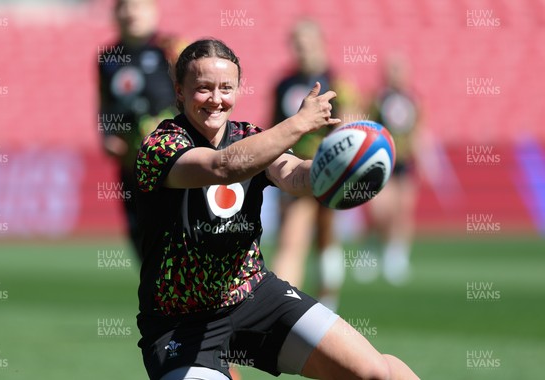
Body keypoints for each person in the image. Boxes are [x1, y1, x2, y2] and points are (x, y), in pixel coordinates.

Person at [134, 39, 419, 380]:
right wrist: (297, 123)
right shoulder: (161, 144)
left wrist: (333, 173)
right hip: (180, 323)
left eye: (226, 88)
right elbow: (222, 167)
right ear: (179, 92)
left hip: (254, 295)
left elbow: (294, 174)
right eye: (203, 88)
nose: (216, 99)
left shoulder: (249, 136)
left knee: (377, 372)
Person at [270, 19, 360, 311]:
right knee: (292, 238)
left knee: (326, 237)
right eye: (298, 44)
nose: (302, 50)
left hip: (330, 170)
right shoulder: (284, 84)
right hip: (296, 172)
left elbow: (350, 128)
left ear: (321, 43)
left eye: (308, 43)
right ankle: (281, 305)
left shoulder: (338, 84)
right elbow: (274, 128)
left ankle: (325, 302)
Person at [98, 0, 181, 258]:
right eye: (124, 6)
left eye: (138, 5)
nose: (131, 12)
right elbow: (104, 105)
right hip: (132, 166)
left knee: (179, 238)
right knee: (143, 241)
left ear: (153, 11)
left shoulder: (173, 49)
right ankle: (157, 297)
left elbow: (201, 97)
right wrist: (107, 136)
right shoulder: (106, 58)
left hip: (174, 164)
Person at [360, 55, 421, 285]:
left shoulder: (413, 100)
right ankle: (372, 248)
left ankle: (397, 256)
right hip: (381, 162)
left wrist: (423, 158)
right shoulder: (377, 99)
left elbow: (418, 131)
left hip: (404, 163)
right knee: (381, 212)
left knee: (403, 210)